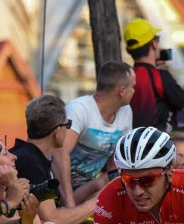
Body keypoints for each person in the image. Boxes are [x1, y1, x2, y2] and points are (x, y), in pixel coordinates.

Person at [11, 95, 100, 224]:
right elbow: (52, 218)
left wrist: (97, 185)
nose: (68, 129)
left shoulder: (31, 156)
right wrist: (98, 203)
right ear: (57, 131)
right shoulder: (30, 162)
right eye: (68, 124)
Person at [52, 61, 135, 207]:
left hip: (87, 186)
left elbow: (116, 161)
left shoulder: (126, 112)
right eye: (132, 86)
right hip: (58, 186)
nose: (134, 91)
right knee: (103, 186)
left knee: (114, 187)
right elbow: (59, 154)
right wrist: (70, 203)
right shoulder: (79, 109)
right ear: (122, 90)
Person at [124, 18, 184, 131]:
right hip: (160, 145)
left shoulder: (124, 78)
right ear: (153, 44)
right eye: (157, 39)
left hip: (133, 145)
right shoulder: (161, 78)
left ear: (128, 50)